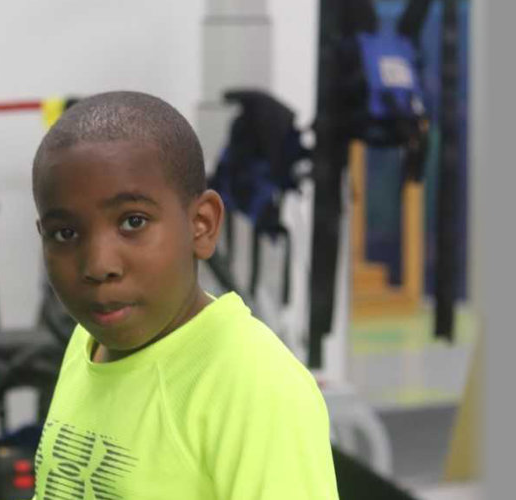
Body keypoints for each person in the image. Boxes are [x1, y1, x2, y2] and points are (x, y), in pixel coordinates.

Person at [29, 91, 338, 499]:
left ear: (202, 225)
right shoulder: (87, 343)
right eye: (65, 233)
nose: (98, 265)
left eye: (133, 222)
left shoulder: (254, 386)